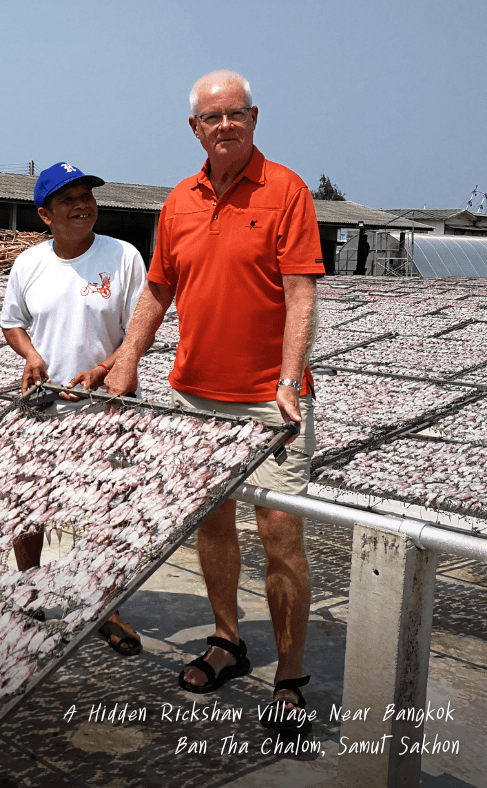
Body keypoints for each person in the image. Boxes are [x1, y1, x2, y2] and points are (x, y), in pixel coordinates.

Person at [104, 71, 323, 725]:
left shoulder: (285, 191)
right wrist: (126, 359)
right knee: (212, 522)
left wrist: (288, 380)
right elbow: (156, 289)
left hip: (268, 398)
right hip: (195, 397)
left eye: (236, 114)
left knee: (280, 533)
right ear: (194, 128)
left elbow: (301, 293)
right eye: (212, 117)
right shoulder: (179, 202)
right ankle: (228, 639)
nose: (225, 125)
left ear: (254, 118)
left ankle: (290, 676)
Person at [0, 161, 146, 656]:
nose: (83, 206)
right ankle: (31, 594)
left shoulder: (123, 257)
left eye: (87, 196)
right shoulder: (29, 264)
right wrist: (31, 355)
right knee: (29, 507)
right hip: (40, 407)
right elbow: (12, 323)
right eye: (69, 200)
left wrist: (103, 371)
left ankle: (105, 605)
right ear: (45, 214)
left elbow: (137, 334)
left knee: (102, 511)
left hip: (105, 409)